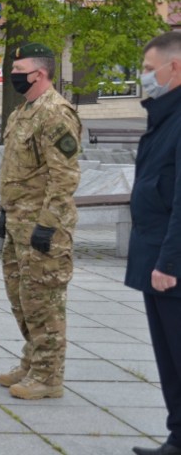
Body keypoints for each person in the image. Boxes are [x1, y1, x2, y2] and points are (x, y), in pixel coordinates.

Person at [0, 42, 82, 400]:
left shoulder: (56, 113)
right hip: (18, 222)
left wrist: (48, 224)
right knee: (21, 297)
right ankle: (32, 360)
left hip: (43, 227)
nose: (14, 76)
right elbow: (18, 168)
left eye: (20, 72)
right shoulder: (22, 112)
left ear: (40, 74)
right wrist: (5, 210)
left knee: (44, 299)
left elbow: (65, 177)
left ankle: (49, 376)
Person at [127, 31, 181, 455]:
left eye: (149, 70)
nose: (145, 78)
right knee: (168, 361)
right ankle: (177, 437)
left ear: (174, 68)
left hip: (170, 265)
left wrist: (169, 262)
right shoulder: (165, 115)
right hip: (154, 255)